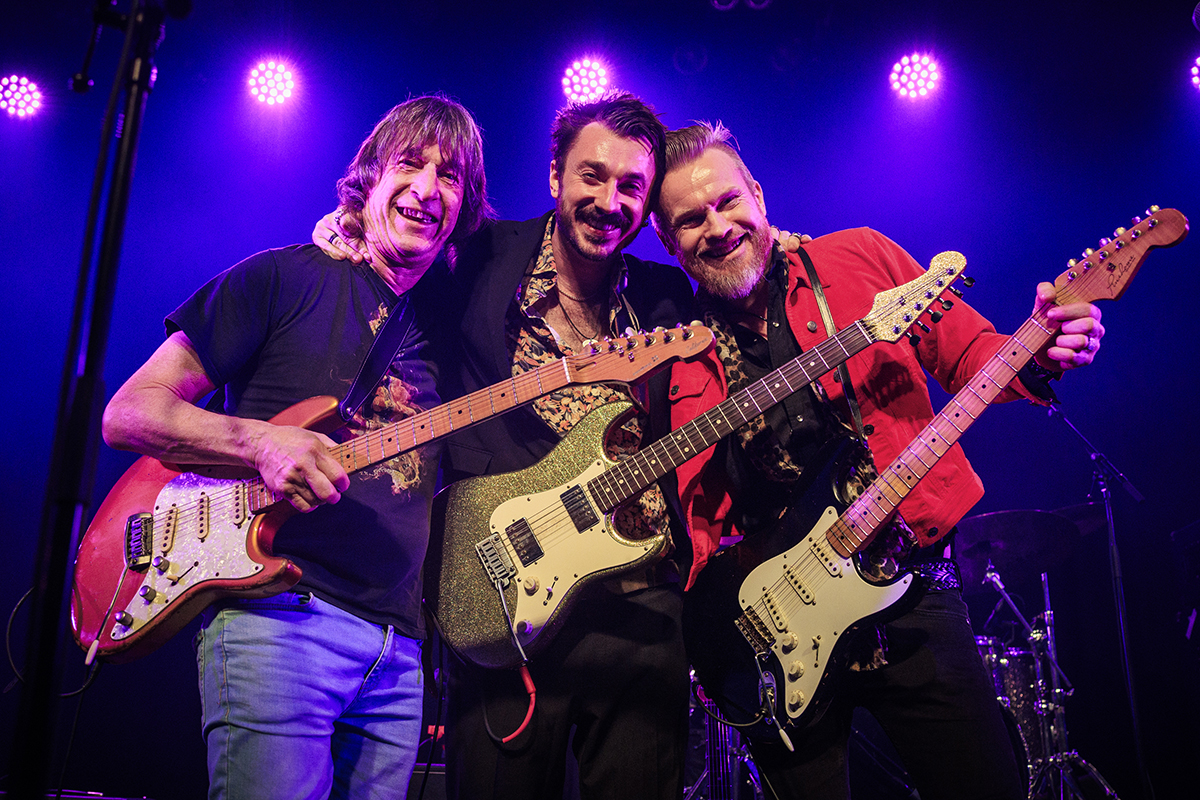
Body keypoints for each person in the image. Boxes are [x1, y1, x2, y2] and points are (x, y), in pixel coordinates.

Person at [650, 122, 1105, 800]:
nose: (717, 227)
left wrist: (1039, 348)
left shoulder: (859, 258)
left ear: (759, 195)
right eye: (690, 220)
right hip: (774, 630)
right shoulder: (669, 343)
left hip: (909, 587)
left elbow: (969, 351)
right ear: (667, 240)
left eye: (728, 202)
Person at [101, 94, 493, 800]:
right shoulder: (282, 277)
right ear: (369, 177)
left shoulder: (452, 321)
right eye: (410, 163)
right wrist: (261, 442)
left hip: (398, 653)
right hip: (277, 620)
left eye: (452, 176)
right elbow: (129, 412)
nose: (429, 189)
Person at [315, 92, 700, 800]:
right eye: (592, 175)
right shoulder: (481, 256)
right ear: (555, 175)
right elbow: (398, 246)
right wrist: (346, 232)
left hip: (639, 607)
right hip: (499, 596)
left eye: (630, 188)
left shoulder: (671, 300)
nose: (609, 200)